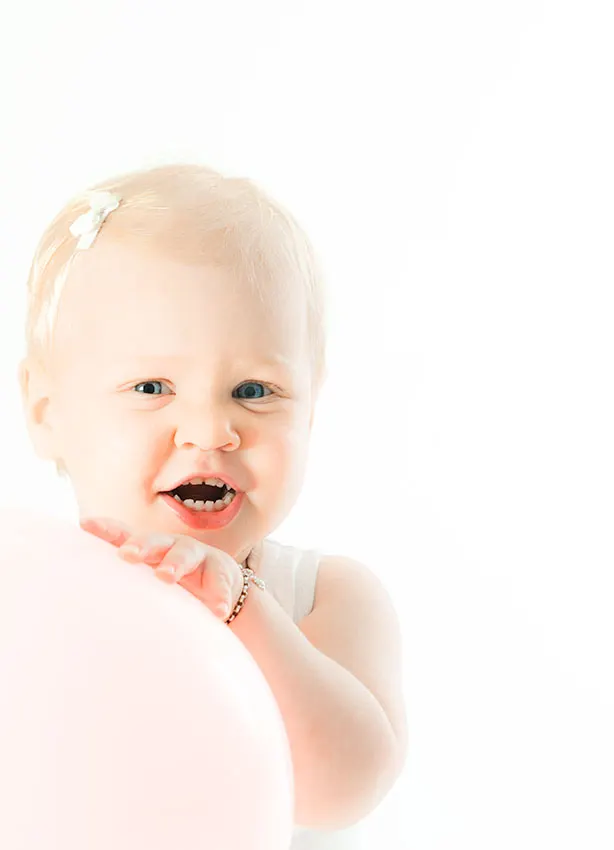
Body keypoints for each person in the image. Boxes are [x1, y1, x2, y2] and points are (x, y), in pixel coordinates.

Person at [17, 162, 408, 848]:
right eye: (151, 386)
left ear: (311, 412)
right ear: (47, 412)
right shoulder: (24, 595)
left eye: (255, 391)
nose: (210, 430)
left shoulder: (322, 598)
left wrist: (243, 607)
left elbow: (341, 791)